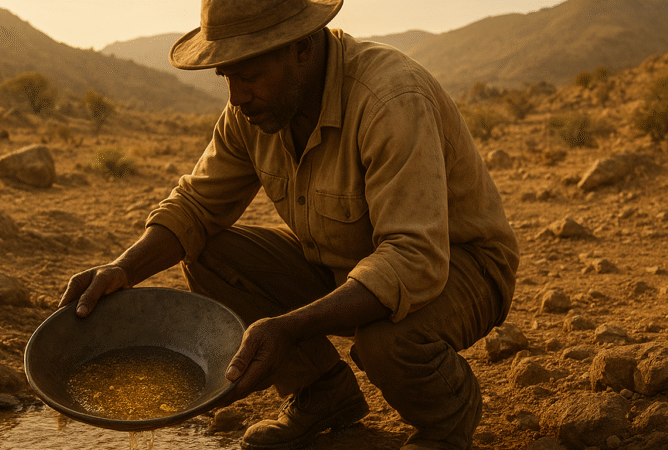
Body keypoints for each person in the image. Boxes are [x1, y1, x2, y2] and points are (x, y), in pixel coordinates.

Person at [58, 0, 520, 448]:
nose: (236, 97)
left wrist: (288, 328)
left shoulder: (391, 99)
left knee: (386, 341)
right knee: (209, 254)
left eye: (250, 75)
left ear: (302, 47)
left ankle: (446, 423)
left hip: (461, 266)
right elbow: (196, 206)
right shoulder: (251, 112)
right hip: (343, 263)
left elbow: (413, 258)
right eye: (227, 76)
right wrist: (123, 268)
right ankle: (324, 396)